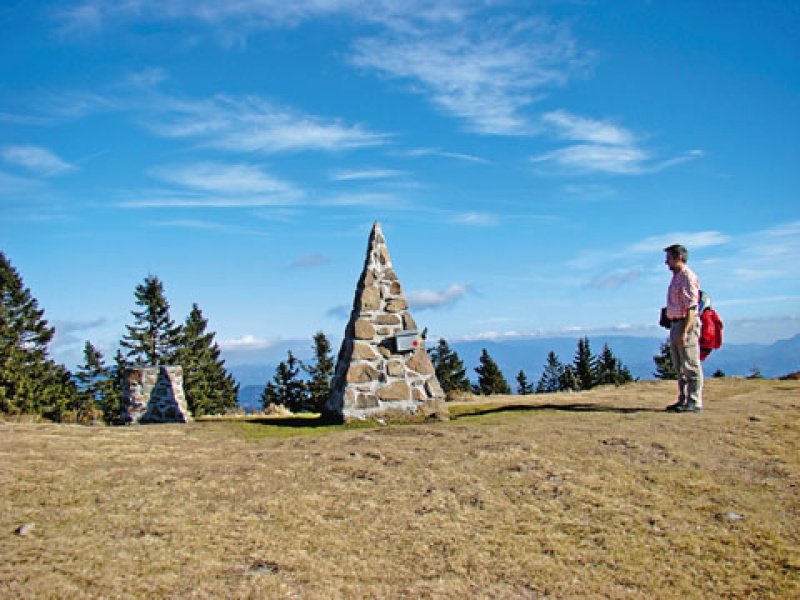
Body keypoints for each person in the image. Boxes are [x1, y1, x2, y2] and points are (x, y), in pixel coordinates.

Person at [663, 244, 704, 412]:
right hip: (675, 323)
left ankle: (694, 401)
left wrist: (685, 331)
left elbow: (692, 307)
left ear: (678, 257)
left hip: (685, 323)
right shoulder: (677, 277)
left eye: (669, 258)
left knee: (690, 363)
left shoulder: (687, 277)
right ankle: (683, 399)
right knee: (679, 365)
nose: (666, 262)